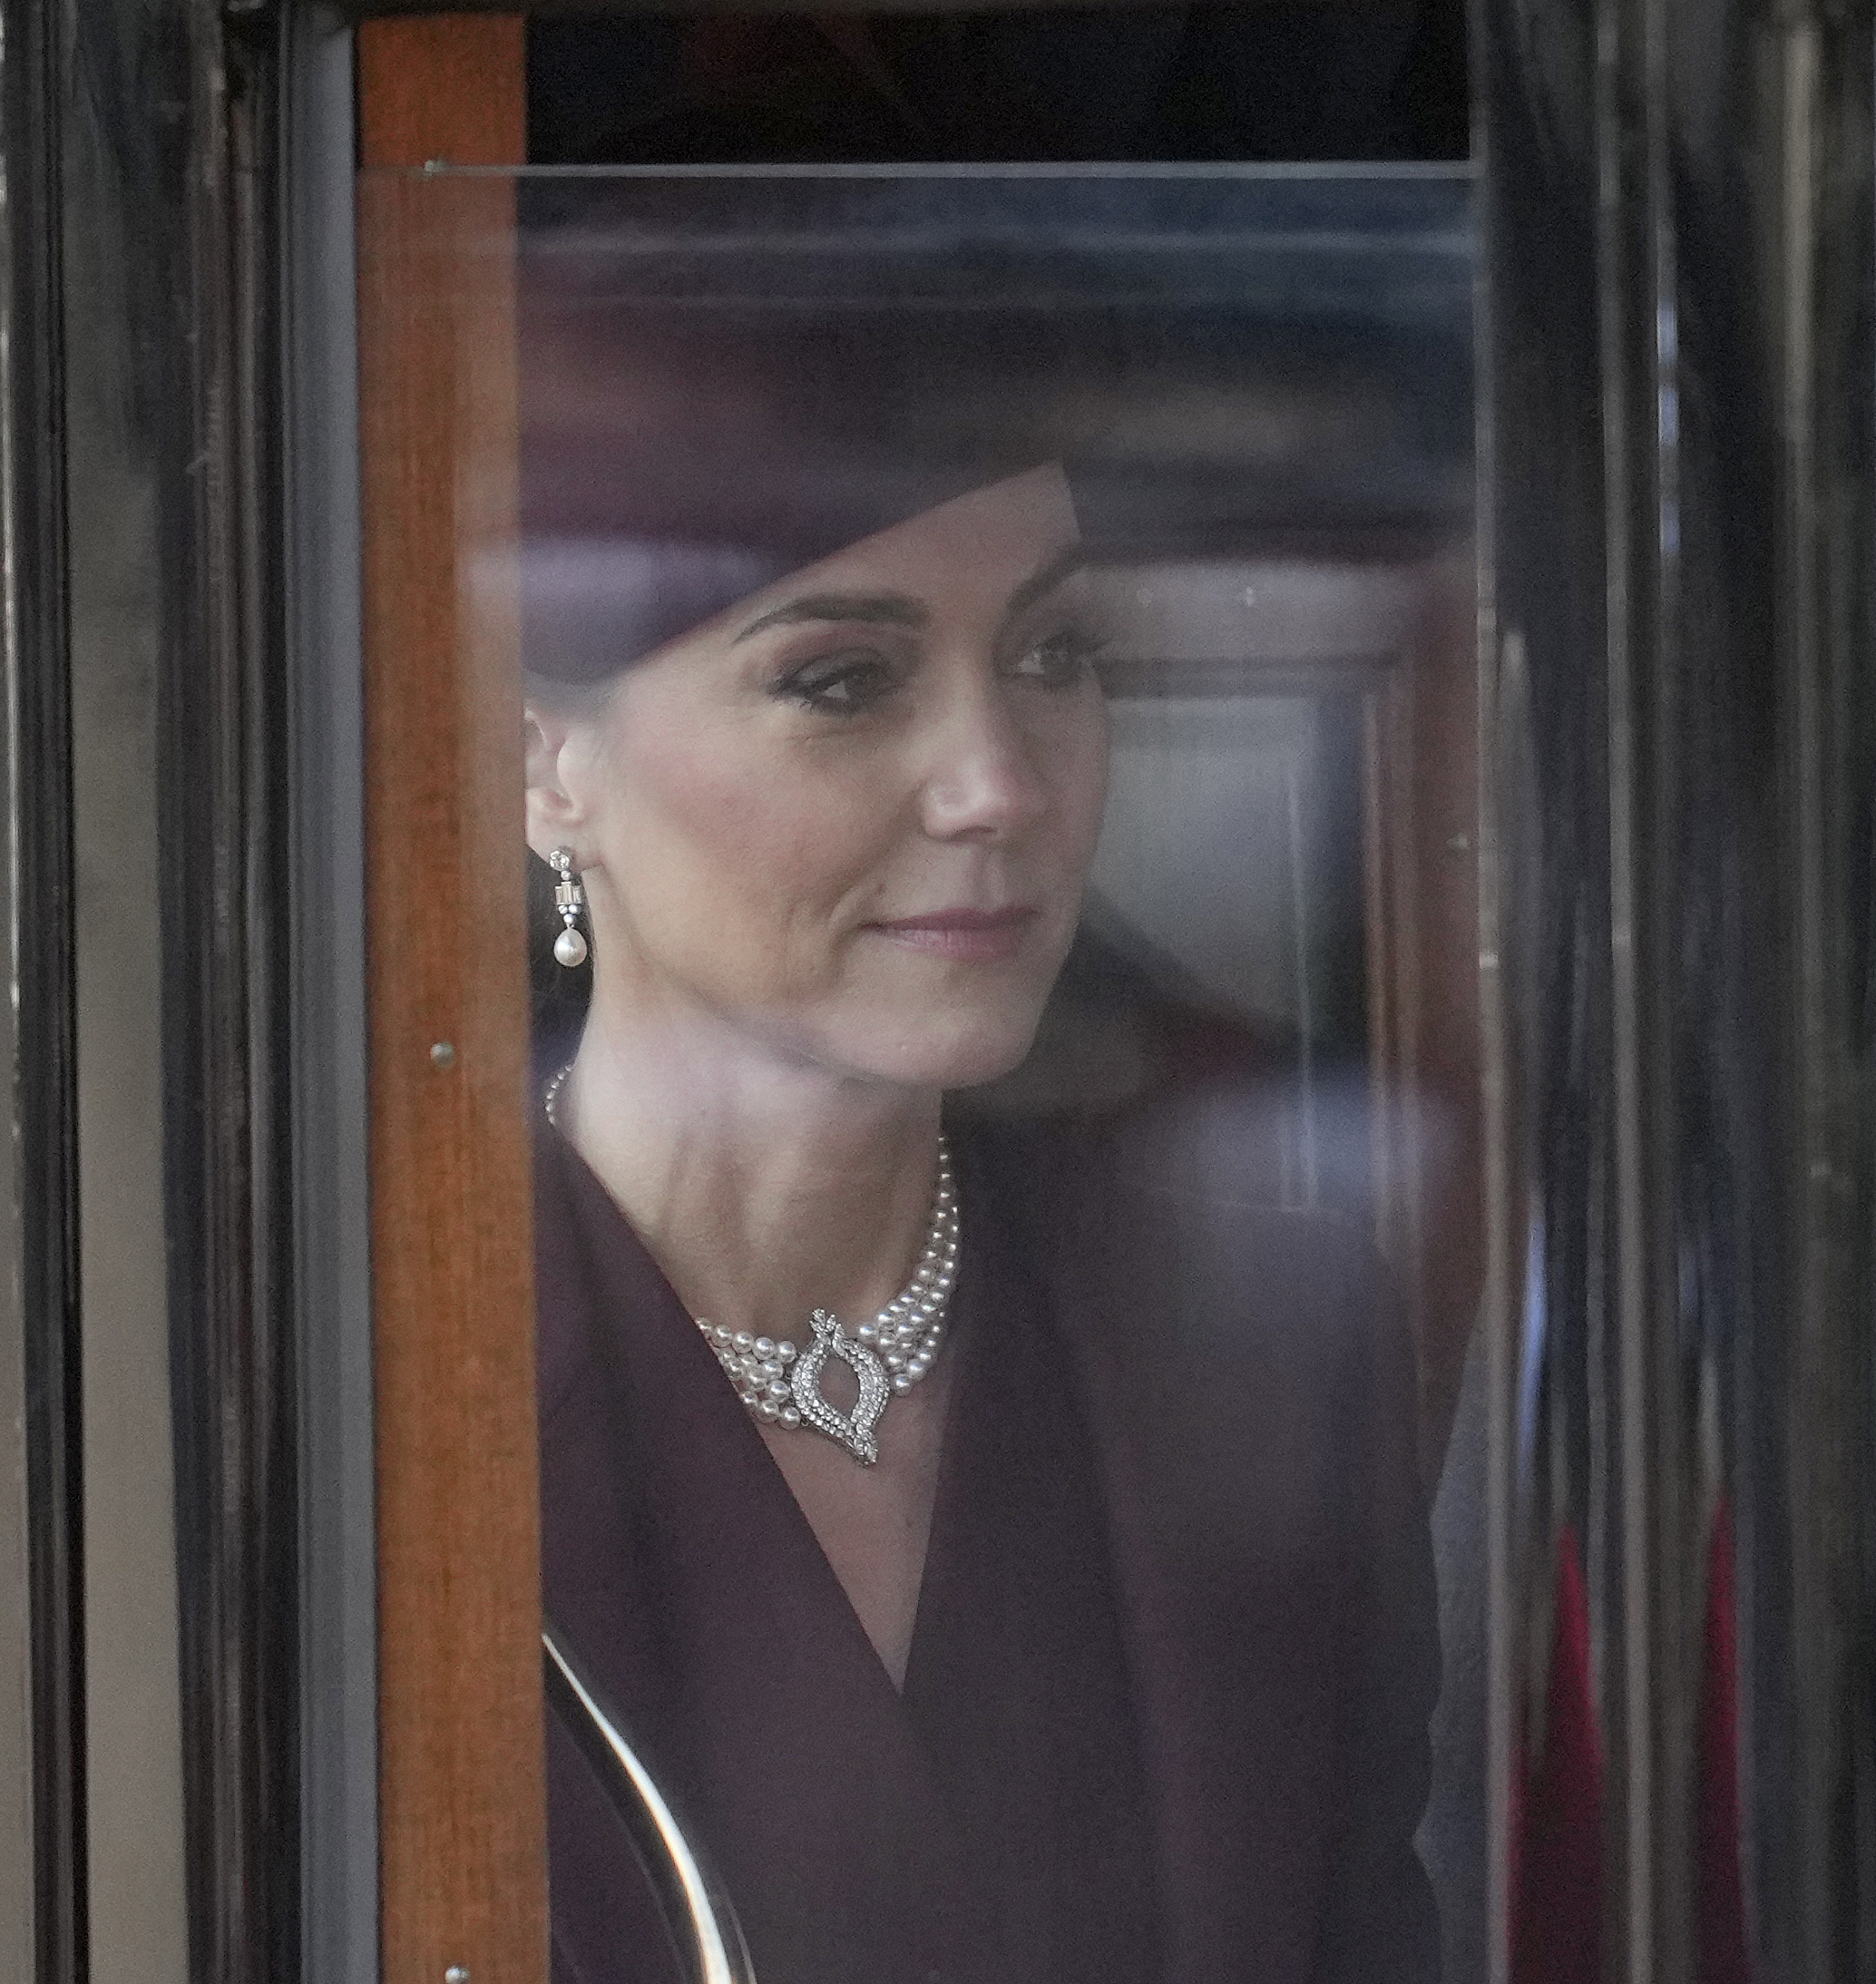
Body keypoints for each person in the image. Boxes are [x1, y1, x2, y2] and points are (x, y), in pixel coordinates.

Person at [514, 217, 1437, 1984]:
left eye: (1054, 654)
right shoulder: (381, 1401)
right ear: (546, 762)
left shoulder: (1282, 1343)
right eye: (843, 680)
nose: (1000, 783)